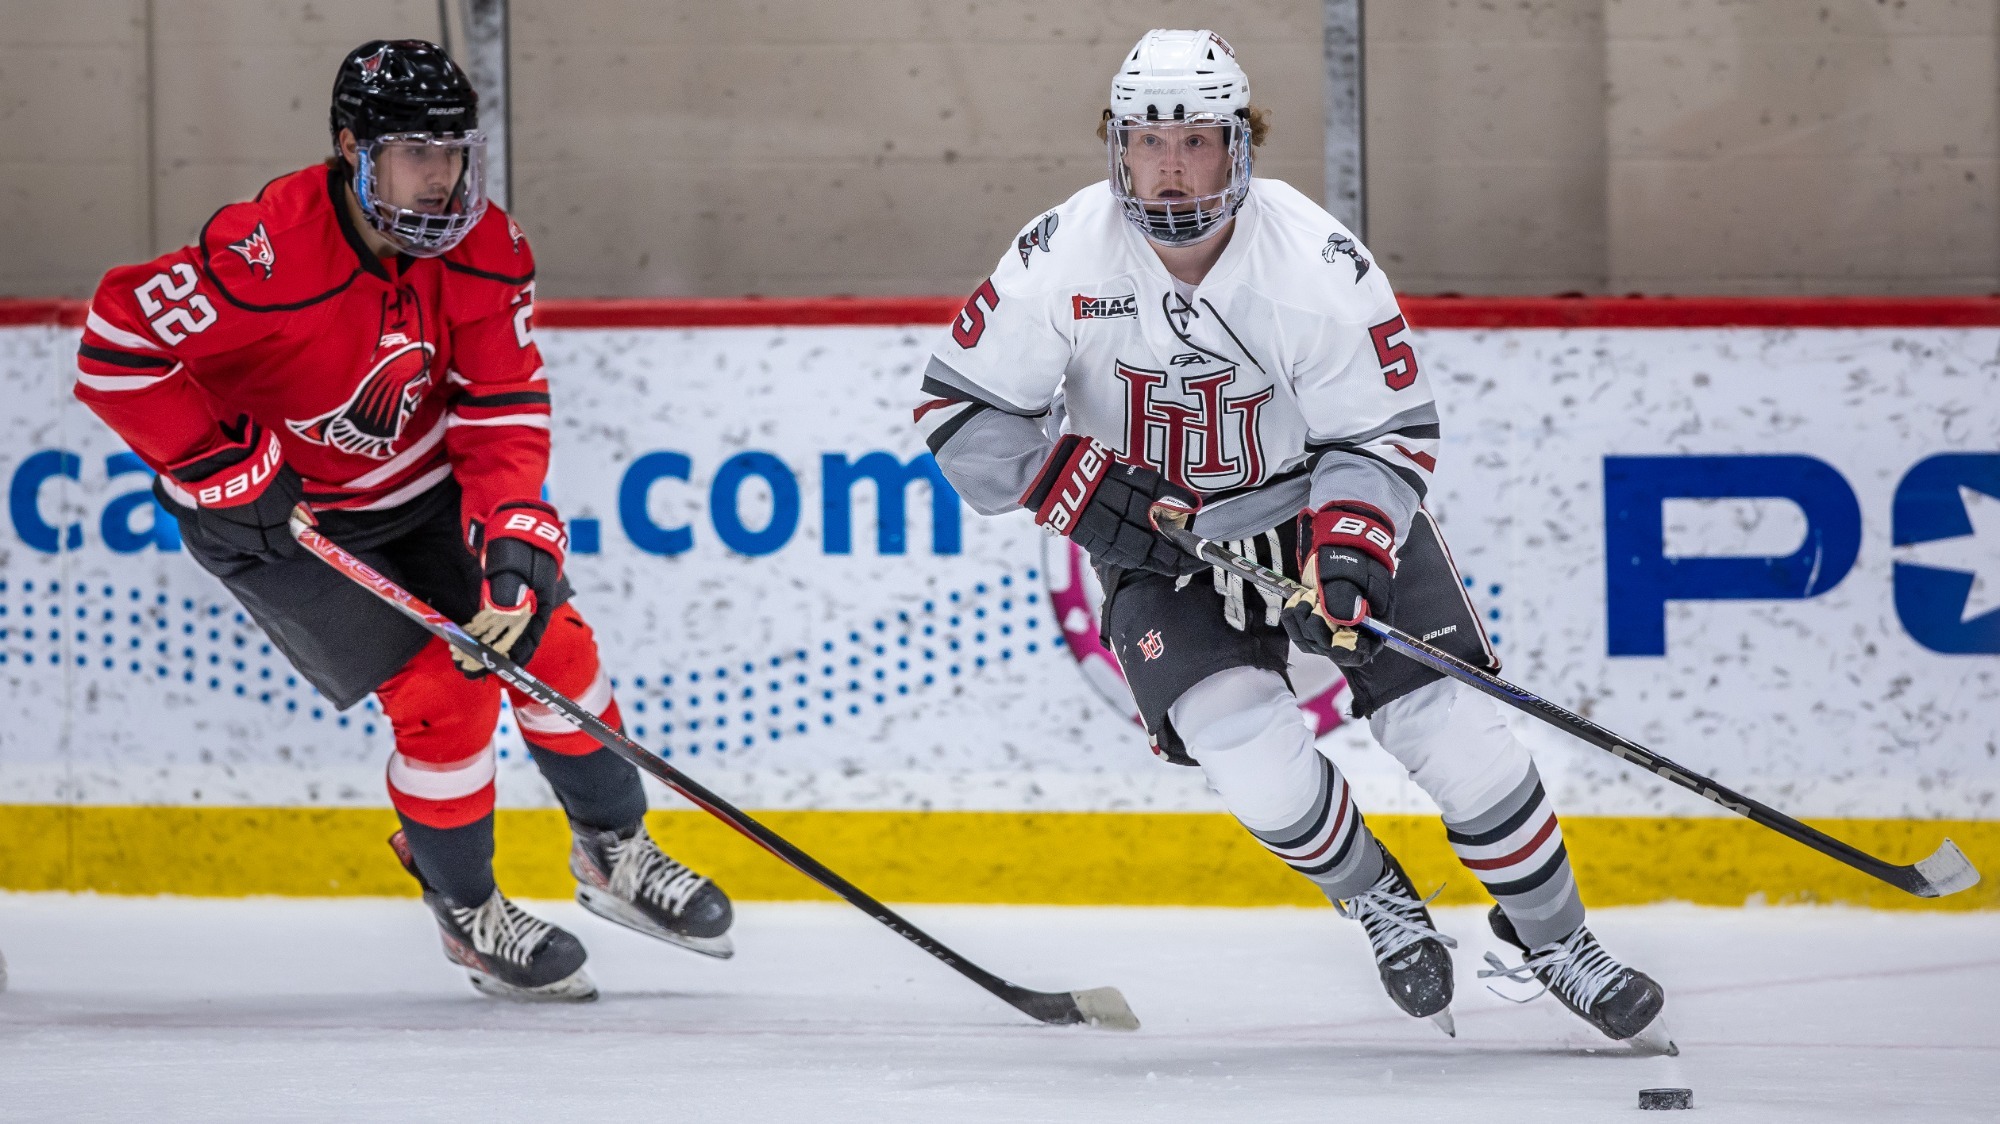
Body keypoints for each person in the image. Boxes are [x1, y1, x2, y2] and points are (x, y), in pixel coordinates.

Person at [916, 28, 1670, 1048]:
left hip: (1308, 508)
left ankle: (1559, 941)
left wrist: (1349, 550)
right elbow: (958, 411)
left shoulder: (1314, 263)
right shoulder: (1062, 253)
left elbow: (1385, 433)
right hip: (1159, 547)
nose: (1169, 164)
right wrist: (1080, 492)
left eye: (1194, 139)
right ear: (1115, 147)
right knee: (1243, 748)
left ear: (1239, 145)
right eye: (1146, 140)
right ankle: (1376, 897)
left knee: (1450, 734)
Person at [72, 40, 732, 1002]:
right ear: (352, 148)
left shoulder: (486, 244)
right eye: (415, 152)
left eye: (454, 151)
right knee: (444, 690)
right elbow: (116, 347)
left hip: (420, 494)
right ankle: (469, 913)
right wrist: (218, 462)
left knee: (547, 634)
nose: (440, 178)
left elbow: (503, 398)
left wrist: (514, 528)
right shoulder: (265, 250)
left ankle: (616, 854)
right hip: (282, 525)